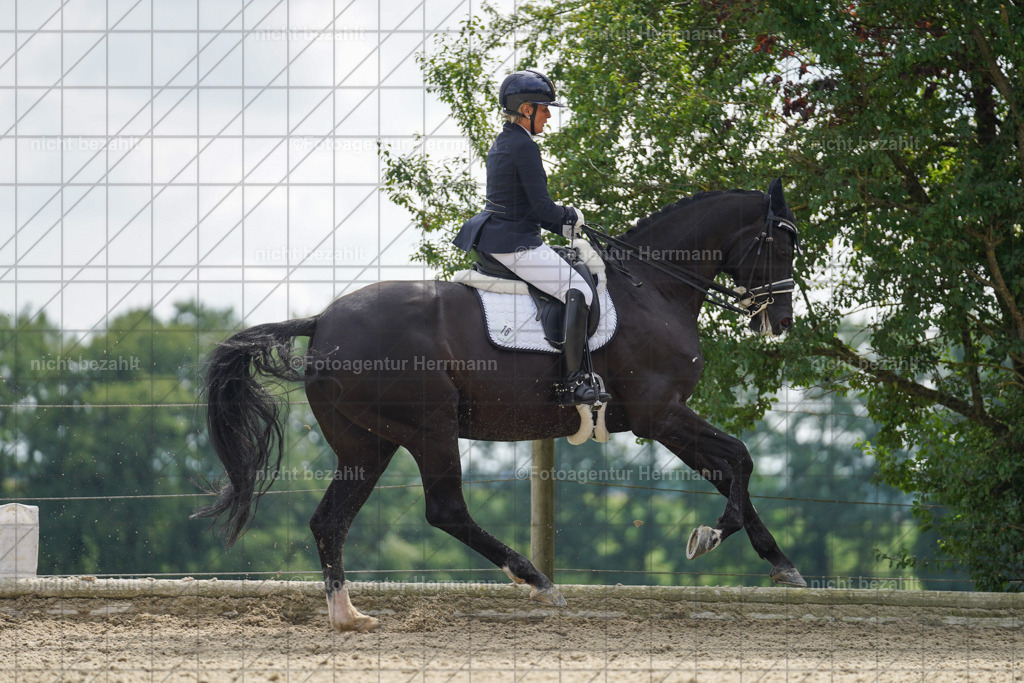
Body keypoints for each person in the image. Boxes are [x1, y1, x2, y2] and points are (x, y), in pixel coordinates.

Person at [453, 69, 599, 406]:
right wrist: (571, 216)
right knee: (578, 290)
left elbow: (525, 206)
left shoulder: (505, 141)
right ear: (527, 110)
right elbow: (543, 209)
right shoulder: (524, 147)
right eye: (545, 109)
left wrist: (562, 224)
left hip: (502, 235)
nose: (549, 116)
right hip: (515, 244)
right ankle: (572, 383)